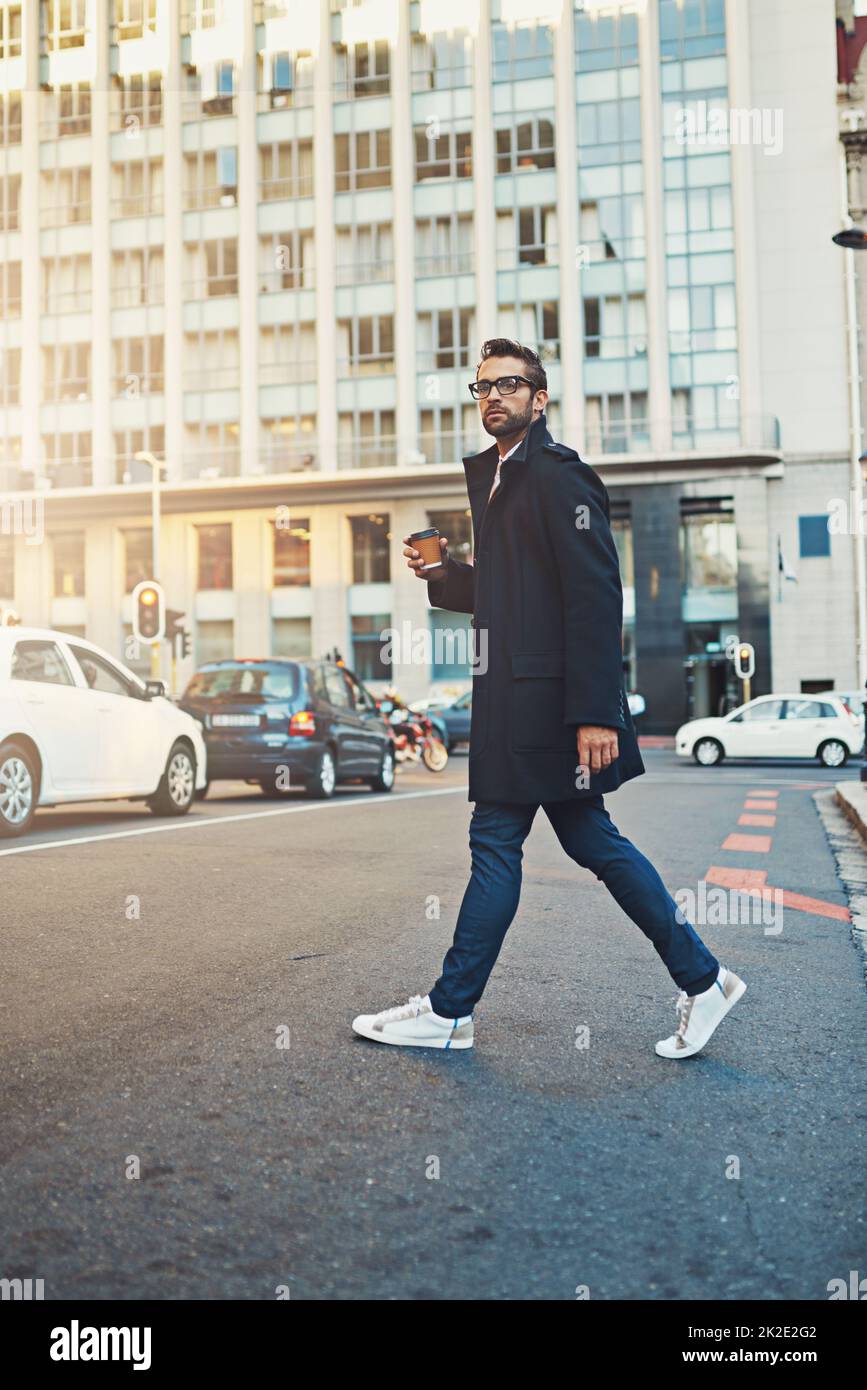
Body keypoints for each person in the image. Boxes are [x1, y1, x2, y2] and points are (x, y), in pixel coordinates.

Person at [352, 338, 746, 1059]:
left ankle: (449, 1012)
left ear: (538, 399)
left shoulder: (559, 477)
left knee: (497, 841)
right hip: (520, 697)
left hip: (542, 705)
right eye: (481, 388)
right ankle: (702, 978)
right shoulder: (504, 480)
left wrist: (597, 709)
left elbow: (594, 592)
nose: (492, 396)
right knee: (589, 838)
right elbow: (514, 594)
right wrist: (447, 574)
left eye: (508, 384)